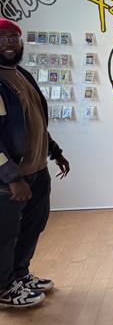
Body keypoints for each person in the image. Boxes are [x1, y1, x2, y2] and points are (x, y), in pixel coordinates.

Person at [0, 18, 70, 308]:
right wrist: (11, 177)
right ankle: (3, 288)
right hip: (11, 176)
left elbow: (35, 122)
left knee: (33, 225)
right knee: (5, 234)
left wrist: (54, 151)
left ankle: (19, 274)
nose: (8, 43)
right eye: (2, 37)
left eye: (13, 37)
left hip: (37, 169)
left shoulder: (21, 74)